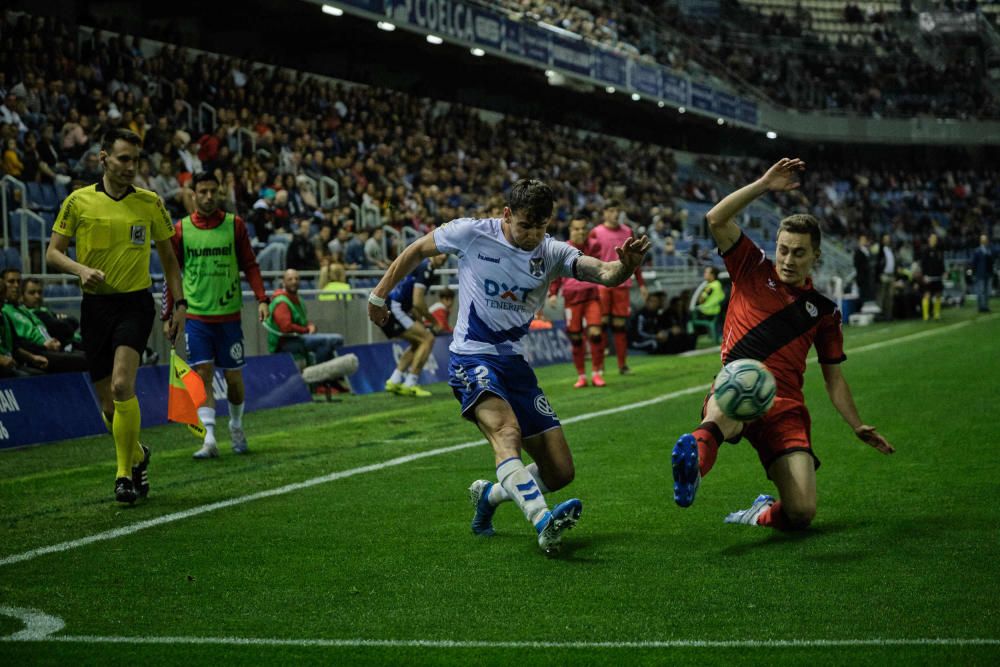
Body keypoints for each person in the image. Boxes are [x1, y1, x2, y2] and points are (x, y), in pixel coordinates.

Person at [367, 179, 650, 555]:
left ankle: (490, 495)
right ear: (506, 215)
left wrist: (625, 266)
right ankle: (542, 520)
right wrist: (378, 294)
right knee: (506, 431)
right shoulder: (471, 233)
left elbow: (602, 272)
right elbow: (418, 249)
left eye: (541, 226)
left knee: (560, 471)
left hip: (515, 363)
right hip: (471, 355)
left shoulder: (551, 251)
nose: (533, 235)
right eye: (525, 226)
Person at [670, 158, 894, 531]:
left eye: (799, 252)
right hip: (736, 383)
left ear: (815, 257)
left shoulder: (824, 312)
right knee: (722, 409)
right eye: (784, 249)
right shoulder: (751, 268)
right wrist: (763, 184)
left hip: (786, 407)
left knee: (802, 513)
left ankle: (760, 511)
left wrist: (856, 424)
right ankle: (692, 468)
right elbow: (716, 219)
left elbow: (833, 378)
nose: (788, 260)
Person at [46, 128, 186, 505]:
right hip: (94, 308)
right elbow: (53, 253)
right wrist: (80, 270)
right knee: (109, 407)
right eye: (123, 159)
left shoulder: (150, 203)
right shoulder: (78, 202)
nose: (130, 167)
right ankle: (138, 455)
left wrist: (180, 306)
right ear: (103, 158)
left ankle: (123, 475)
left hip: (134, 305)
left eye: (135, 161)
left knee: (124, 386)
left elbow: (171, 262)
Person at [161, 172, 270, 460]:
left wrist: (262, 299)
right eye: (203, 191)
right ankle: (209, 438)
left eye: (213, 191)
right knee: (203, 374)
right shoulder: (181, 230)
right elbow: (172, 275)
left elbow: (250, 264)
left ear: (219, 193)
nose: (209, 196)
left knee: (234, 379)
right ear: (193, 194)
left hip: (229, 316)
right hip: (197, 316)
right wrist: (167, 314)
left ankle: (235, 424)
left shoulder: (235, 226)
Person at [587, 200, 647, 375]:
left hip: (622, 283)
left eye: (617, 211)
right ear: (604, 213)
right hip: (602, 284)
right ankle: (600, 367)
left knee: (620, 325)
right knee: (601, 325)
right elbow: (588, 259)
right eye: (611, 211)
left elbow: (635, 260)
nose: (614, 214)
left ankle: (622, 365)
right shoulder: (595, 232)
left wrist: (641, 284)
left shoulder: (628, 231)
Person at [548, 218, 606, 388]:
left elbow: (601, 267)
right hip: (571, 298)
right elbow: (557, 272)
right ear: (570, 230)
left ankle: (596, 373)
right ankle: (581, 376)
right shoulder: (563, 248)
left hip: (591, 295)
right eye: (576, 229)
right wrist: (553, 293)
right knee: (576, 338)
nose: (580, 232)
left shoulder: (595, 245)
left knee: (595, 333)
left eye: (583, 228)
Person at [380, 253, 448, 398]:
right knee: (427, 339)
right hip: (394, 308)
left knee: (418, 342)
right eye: (441, 253)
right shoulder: (426, 268)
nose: (443, 257)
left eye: (446, 255)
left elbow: (412, 302)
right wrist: (435, 322)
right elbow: (418, 301)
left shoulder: (425, 266)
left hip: (397, 307)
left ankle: (395, 380)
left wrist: (422, 321)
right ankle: (411, 383)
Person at [1, 269, 88, 373]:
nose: (15, 285)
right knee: (84, 359)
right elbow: (18, 342)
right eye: (11, 281)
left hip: (50, 347)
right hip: (37, 351)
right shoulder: (5, 311)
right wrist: (39, 350)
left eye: (19, 282)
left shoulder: (24, 310)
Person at [265, 268, 344, 364]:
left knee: (335, 340)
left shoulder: (298, 300)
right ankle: (319, 374)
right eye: (290, 279)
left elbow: (303, 321)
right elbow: (286, 327)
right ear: (283, 282)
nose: (294, 281)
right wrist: (306, 330)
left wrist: (311, 326)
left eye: (296, 279)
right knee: (329, 341)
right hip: (285, 342)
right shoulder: (281, 302)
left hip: (299, 337)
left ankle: (327, 374)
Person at [919, 233, 945, 322]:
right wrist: (924, 275)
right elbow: (923, 264)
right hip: (928, 276)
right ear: (929, 240)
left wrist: (943, 272)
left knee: (938, 294)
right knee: (927, 295)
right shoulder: (926, 251)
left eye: (935, 239)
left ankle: (936, 314)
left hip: (937, 276)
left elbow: (941, 263)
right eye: (932, 238)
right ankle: (925, 315)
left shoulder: (939, 251)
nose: (934, 240)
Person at [972, 233, 993, 313]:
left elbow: (991, 262)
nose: (984, 241)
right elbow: (974, 263)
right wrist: (974, 273)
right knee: (980, 291)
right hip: (980, 274)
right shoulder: (977, 251)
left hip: (988, 273)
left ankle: (986, 306)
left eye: (985, 239)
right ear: (980, 241)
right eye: (983, 239)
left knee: (987, 291)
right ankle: (980, 307)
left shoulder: (989, 250)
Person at [853, 233, 875, 303]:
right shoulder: (857, 252)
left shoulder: (868, 251)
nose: (864, 241)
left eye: (865, 240)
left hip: (869, 278)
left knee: (869, 296)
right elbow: (856, 264)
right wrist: (866, 267)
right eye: (862, 240)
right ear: (859, 241)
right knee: (863, 296)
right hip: (862, 277)